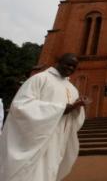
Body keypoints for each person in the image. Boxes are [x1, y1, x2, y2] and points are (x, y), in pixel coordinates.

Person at [0, 53, 86, 181]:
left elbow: (74, 117)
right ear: (58, 61)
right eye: (68, 64)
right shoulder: (40, 79)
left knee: (49, 172)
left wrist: (78, 108)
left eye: (74, 66)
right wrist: (62, 108)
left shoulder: (72, 89)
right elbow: (21, 106)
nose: (70, 68)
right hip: (37, 139)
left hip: (58, 140)